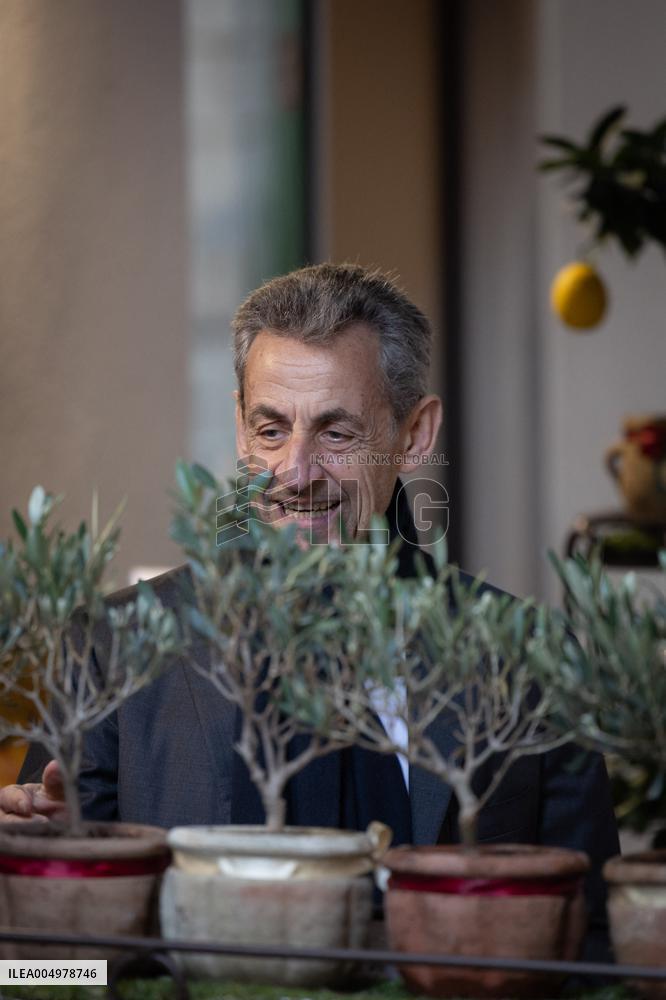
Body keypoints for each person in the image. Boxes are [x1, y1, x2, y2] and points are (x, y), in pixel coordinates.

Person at [1, 263, 619, 954]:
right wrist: (47, 878)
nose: (296, 472)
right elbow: (43, 975)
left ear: (415, 433)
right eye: (271, 430)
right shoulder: (107, 646)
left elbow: (590, 945)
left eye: (336, 434)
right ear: (239, 427)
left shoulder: (530, 655)